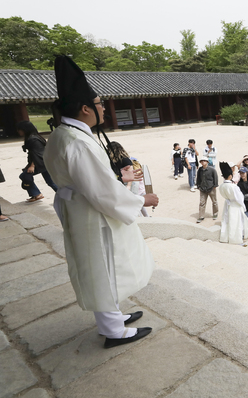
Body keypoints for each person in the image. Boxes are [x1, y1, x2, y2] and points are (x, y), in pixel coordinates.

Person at [45, 55, 157, 348]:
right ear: (85, 109)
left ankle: (113, 318)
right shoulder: (78, 143)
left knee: (100, 266)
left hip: (79, 208)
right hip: (92, 213)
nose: (103, 108)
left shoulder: (60, 134)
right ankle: (114, 331)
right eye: (99, 104)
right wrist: (141, 198)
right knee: (103, 266)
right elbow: (102, 191)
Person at [16, 120, 58, 202]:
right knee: (50, 182)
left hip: (40, 163)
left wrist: (32, 166)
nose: (18, 131)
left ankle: (36, 194)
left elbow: (37, 154)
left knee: (24, 176)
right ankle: (37, 194)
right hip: (43, 162)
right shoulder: (33, 137)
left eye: (19, 129)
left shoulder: (33, 139)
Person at [218, 162, 247, 245]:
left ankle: (225, 237)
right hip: (235, 205)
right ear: (230, 176)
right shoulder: (234, 187)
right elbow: (240, 198)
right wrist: (243, 207)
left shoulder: (222, 186)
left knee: (226, 221)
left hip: (227, 204)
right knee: (236, 222)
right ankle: (236, 239)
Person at [196, 156, 218, 223]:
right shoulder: (200, 170)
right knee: (202, 202)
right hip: (202, 188)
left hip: (211, 188)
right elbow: (198, 178)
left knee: (214, 202)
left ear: (207, 162)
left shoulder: (212, 169)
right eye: (202, 161)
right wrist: (198, 186)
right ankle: (201, 216)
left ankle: (215, 213)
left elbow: (215, 177)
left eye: (204, 161)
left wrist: (215, 185)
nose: (203, 162)